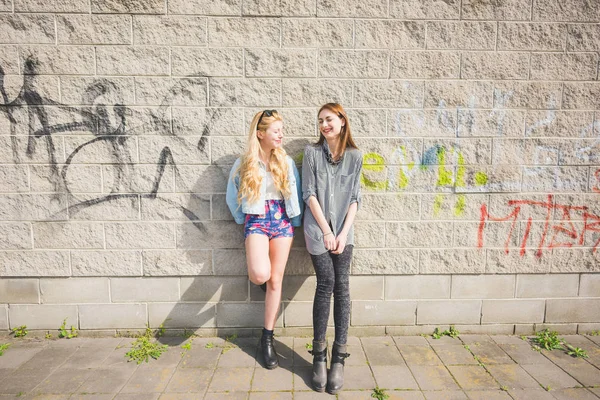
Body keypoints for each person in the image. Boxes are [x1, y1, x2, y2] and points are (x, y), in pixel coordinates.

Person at [226, 110, 303, 369]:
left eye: (282, 129)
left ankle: (267, 338)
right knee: (261, 275)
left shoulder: (286, 161)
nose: (281, 134)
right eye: (275, 130)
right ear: (260, 134)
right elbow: (231, 193)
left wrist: (294, 222)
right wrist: (242, 219)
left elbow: (295, 191)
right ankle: (265, 281)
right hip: (257, 219)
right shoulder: (245, 162)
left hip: (281, 218)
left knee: (276, 281)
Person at [302, 103, 362, 394]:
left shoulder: (355, 157)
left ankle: (339, 358)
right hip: (317, 230)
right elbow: (309, 194)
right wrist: (326, 231)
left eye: (329, 119)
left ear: (341, 121)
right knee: (326, 283)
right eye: (320, 121)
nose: (324, 125)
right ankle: (319, 356)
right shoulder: (312, 154)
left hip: (344, 233)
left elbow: (354, 199)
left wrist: (343, 232)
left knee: (344, 287)